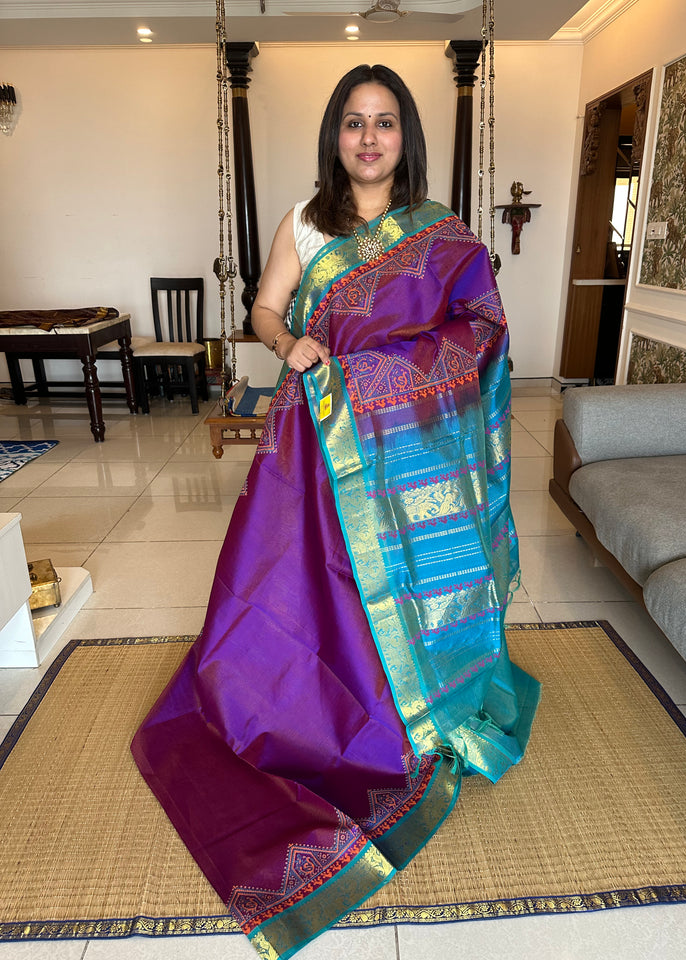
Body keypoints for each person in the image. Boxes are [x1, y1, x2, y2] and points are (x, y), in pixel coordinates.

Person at [132, 63, 540, 960]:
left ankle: (413, 716)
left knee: (393, 584)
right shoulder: (306, 223)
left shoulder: (441, 234)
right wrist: (295, 341)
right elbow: (265, 312)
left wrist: (391, 375)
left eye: (385, 122)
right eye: (353, 122)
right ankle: (310, 711)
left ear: (405, 137)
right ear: (334, 135)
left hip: (409, 455)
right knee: (300, 587)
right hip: (315, 443)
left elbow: (481, 328)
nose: (368, 138)